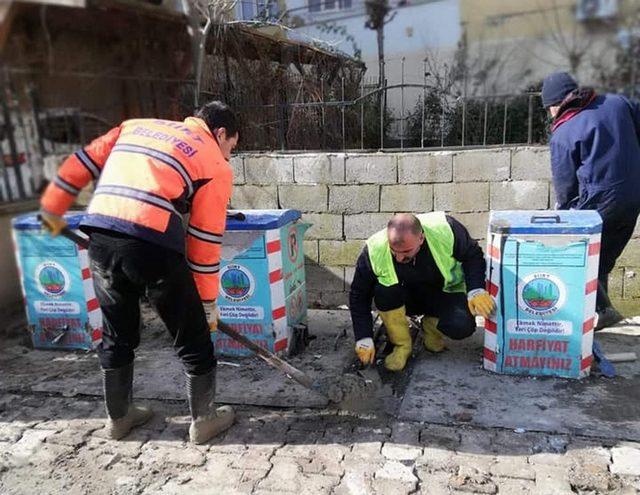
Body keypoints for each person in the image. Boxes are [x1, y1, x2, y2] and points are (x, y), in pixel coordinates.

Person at [39, 101, 239, 444]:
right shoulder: (214, 162)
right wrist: (206, 303)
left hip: (100, 235)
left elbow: (83, 161)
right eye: (231, 148)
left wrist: (53, 205)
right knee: (192, 335)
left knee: (117, 331)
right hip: (151, 242)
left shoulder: (135, 126)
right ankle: (203, 420)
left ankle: (118, 418)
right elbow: (204, 239)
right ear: (220, 133)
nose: (229, 156)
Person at [541, 72, 640, 329]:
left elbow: (565, 185)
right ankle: (602, 312)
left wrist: (564, 216)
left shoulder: (564, 132)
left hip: (599, 199)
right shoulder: (618, 101)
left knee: (578, 255)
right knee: (603, 258)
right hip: (633, 194)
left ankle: (599, 311)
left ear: (555, 104)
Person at [349, 212, 496, 371]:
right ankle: (402, 345)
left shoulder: (445, 229)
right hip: (404, 300)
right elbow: (359, 294)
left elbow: (472, 255)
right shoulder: (375, 249)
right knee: (383, 291)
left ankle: (431, 327)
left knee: (461, 325)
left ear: (421, 238)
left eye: (406, 252)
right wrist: (363, 337)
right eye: (394, 251)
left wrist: (476, 290)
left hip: (442, 294)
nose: (399, 258)